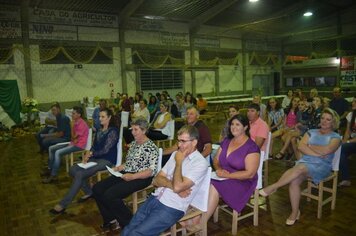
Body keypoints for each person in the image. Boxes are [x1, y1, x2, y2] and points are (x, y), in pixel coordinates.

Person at [121, 125, 209, 235]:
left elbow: (177, 186)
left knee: (137, 233)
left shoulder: (200, 163)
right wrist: (173, 186)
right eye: (178, 141)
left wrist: (179, 163)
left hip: (172, 207)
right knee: (128, 228)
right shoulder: (175, 154)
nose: (179, 145)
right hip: (155, 197)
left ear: (194, 142)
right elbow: (156, 179)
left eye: (183, 141)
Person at [259, 108, 341, 226]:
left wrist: (310, 146)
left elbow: (327, 150)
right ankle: (294, 212)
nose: (324, 121)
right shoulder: (311, 132)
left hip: (321, 166)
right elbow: (301, 147)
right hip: (305, 162)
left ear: (333, 122)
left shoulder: (335, 137)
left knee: (300, 168)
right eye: (323, 118)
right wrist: (318, 152)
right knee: (294, 181)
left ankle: (274, 186)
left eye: (328, 119)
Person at [181, 114, 260, 230]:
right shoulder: (227, 141)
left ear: (246, 127)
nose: (233, 127)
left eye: (238, 124)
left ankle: (200, 222)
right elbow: (216, 160)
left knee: (213, 186)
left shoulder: (251, 147)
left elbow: (250, 173)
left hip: (243, 181)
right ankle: (193, 214)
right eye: (232, 124)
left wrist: (229, 175)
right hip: (224, 176)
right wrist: (218, 169)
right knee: (201, 181)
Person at [49, 108, 119, 215]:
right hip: (95, 158)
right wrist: (88, 153)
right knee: (73, 169)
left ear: (109, 117)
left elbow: (106, 150)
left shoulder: (113, 131)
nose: (100, 119)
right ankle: (89, 192)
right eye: (99, 116)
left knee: (80, 174)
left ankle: (63, 205)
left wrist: (91, 154)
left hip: (107, 159)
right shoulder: (99, 130)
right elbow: (94, 147)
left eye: (103, 117)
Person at [92, 118, 159, 231]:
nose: (132, 132)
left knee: (110, 194)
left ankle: (129, 224)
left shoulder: (151, 147)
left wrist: (133, 176)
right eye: (132, 129)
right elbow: (129, 163)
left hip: (142, 177)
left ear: (144, 130)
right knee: (97, 188)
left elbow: (151, 171)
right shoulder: (133, 144)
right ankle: (110, 218)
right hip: (127, 173)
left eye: (136, 130)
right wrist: (118, 168)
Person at [42, 106, 89, 184]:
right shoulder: (76, 122)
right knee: (51, 148)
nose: (72, 115)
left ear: (79, 115)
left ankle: (53, 175)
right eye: (72, 113)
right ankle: (50, 169)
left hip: (79, 145)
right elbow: (73, 139)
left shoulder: (81, 124)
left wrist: (71, 126)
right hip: (73, 143)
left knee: (58, 152)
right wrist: (73, 128)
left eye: (73, 113)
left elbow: (73, 137)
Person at [338, 96, 356, 187]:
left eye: (355, 101)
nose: (352, 103)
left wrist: (347, 142)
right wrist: (344, 141)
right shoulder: (350, 115)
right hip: (353, 142)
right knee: (339, 147)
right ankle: (346, 178)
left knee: (343, 147)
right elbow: (348, 131)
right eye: (353, 101)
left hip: (353, 141)